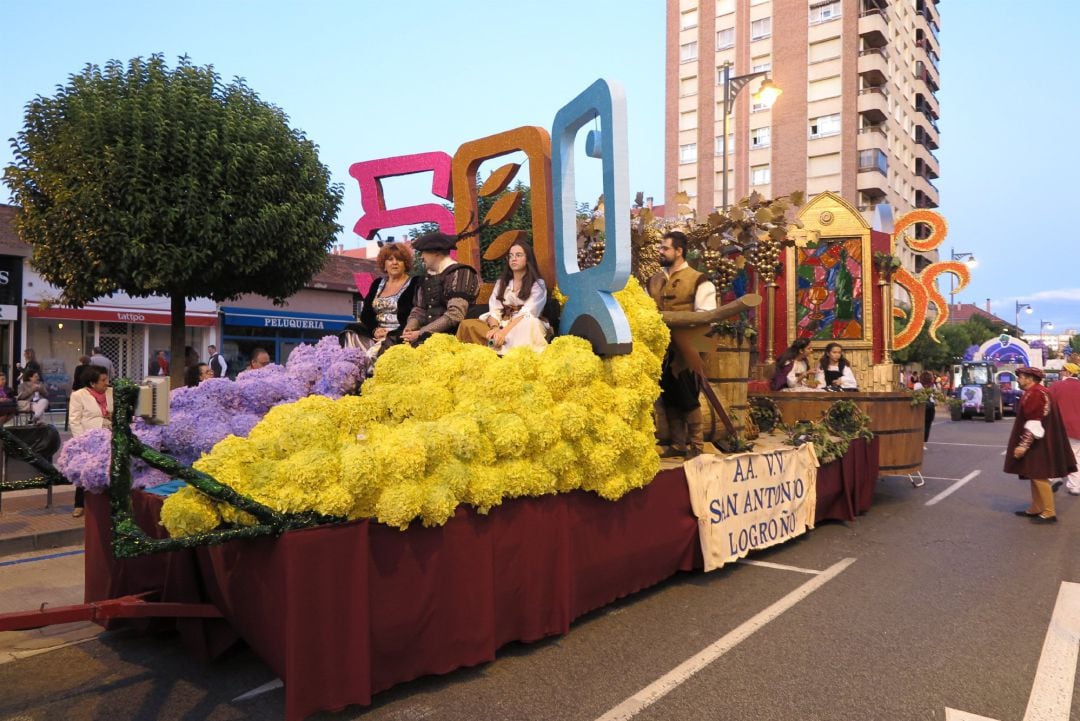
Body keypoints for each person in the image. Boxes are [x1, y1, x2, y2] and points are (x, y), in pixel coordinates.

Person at [646, 230, 717, 459]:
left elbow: (706, 316)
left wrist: (696, 349)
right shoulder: (654, 280)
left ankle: (697, 446)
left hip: (687, 347)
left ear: (679, 251)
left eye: (665, 248)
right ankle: (678, 445)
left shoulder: (699, 280)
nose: (661, 251)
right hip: (661, 348)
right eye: (661, 247)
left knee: (687, 397)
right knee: (669, 396)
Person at [1005, 366, 1076, 524]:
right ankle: (1037, 507)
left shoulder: (1036, 393)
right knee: (1033, 474)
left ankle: (1049, 512)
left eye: (1021, 376)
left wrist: (1024, 445)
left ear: (1030, 378)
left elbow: (1034, 421)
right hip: (1040, 440)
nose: (1018, 379)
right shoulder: (1037, 391)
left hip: (1038, 442)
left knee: (1038, 475)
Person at [457, 241, 549, 355]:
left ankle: (501, 349)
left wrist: (503, 333)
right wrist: (495, 328)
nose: (513, 258)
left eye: (518, 255)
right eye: (510, 256)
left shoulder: (537, 284)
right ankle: (494, 344)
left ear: (528, 258)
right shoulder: (502, 282)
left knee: (529, 323)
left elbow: (528, 312)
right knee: (468, 325)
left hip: (521, 324)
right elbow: (495, 309)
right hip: (501, 323)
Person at [401, 232, 479, 346]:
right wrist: (410, 327)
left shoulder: (461, 273)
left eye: (424, 252)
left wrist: (421, 333)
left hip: (456, 339)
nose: (421, 256)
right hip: (426, 338)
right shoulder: (426, 278)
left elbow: (455, 315)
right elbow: (419, 310)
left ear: (437, 253)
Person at [340, 243, 417, 354]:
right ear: (384, 265)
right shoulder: (377, 284)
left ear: (405, 264)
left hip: (400, 334)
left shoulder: (414, 283)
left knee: (380, 349)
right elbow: (366, 314)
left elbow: (415, 315)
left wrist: (391, 334)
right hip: (377, 334)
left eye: (399, 259)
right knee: (350, 332)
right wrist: (375, 330)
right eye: (390, 259)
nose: (394, 263)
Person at [68, 366, 113, 518]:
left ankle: (105, 503)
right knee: (85, 470)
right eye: (103, 380)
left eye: (107, 379)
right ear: (92, 383)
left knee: (107, 470)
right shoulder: (79, 395)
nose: (107, 383)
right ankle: (79, 504)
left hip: (109, 437)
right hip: (88, 439)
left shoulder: (111, 392)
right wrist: (82, 441)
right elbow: (74, 421)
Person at [1049, 361, 1080, 496]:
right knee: (1076, 457)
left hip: (1060, 427)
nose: (1061, 372)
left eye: (1062, 370)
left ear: (1068, 372)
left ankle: (1054, 479)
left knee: (1056, 454)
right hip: (1078, 429)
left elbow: (1048, 404)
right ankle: (1075, 487)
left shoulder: (1057, 386)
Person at [913, 370, 937, 446]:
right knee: (927, 425)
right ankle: (924, 443)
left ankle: (917, 442)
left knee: (919, 425)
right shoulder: (933, 385)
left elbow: (915, 394)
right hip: (930, 406)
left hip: (920, 406)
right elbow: (935, 396)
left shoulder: (917, 385)